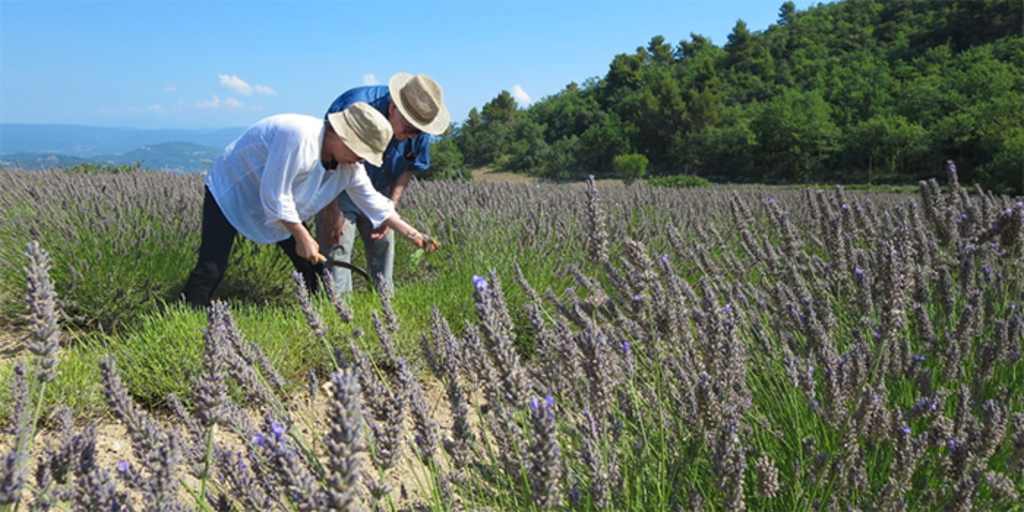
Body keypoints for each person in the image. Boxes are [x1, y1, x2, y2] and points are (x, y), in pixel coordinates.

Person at [183, 102, 437, 308]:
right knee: (212, 267)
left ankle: (314, 316)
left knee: (311, 267)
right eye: (359, 150)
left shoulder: (350, 166)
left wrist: (415, 235)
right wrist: (301, 235)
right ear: (340, 135)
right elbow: (275, 194)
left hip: (280, 204)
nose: (361, 159)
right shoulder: (297, 136)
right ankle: (189, 315)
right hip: (234, 189)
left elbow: (374, 203)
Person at [316, 72, 450, 295]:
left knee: (384, 247)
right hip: (339, 187)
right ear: (393, 108)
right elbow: (328, 159)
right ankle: (338, 315)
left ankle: (385, 311)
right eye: (408, 129)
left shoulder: (419, 128)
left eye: (417, 131)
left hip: (380, 191)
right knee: (336, 249)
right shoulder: (354, 106)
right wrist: (332, 210)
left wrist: (391, 206)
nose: (411, 136)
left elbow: (408, 167)